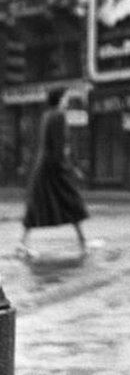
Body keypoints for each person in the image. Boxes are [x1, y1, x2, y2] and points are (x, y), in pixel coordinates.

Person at [17, 89, 89, 259]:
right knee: (72, 202)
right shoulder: (59, 116)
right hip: (54, 168)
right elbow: (59, 146)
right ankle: (83, 244)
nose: (66, 101)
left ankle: (22, 243)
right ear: (59, 99)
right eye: (65, 98)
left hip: (43, 167)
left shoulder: (46, 115)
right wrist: (70, 168)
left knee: (37, 204)